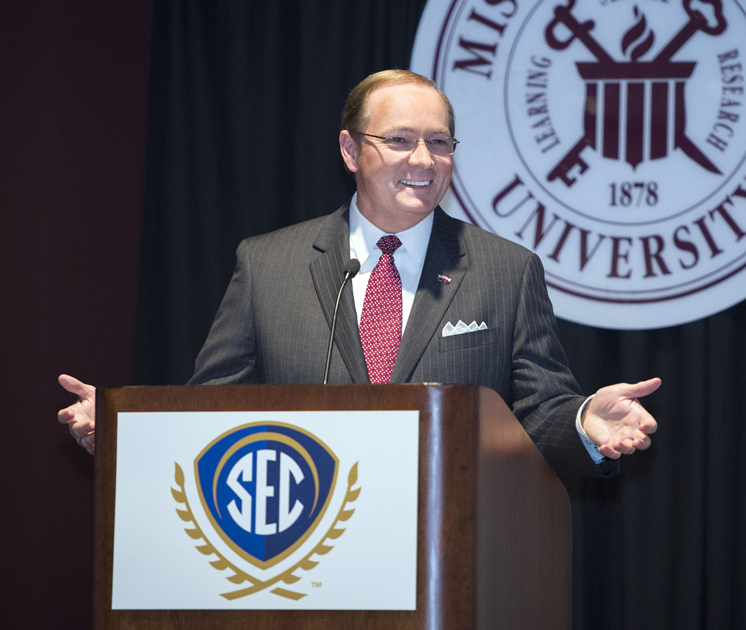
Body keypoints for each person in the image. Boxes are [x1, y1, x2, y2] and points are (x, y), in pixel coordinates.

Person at [58, 69, 660, 477]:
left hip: (449, 548)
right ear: (350, 151)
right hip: (302, 548)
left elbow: (537, 413)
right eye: (399, 140)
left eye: (439, 142)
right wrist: (125, 427)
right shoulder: (268, 265)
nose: (423, 161)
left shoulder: (507, 271)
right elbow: (213, 407)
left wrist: (584, 421)